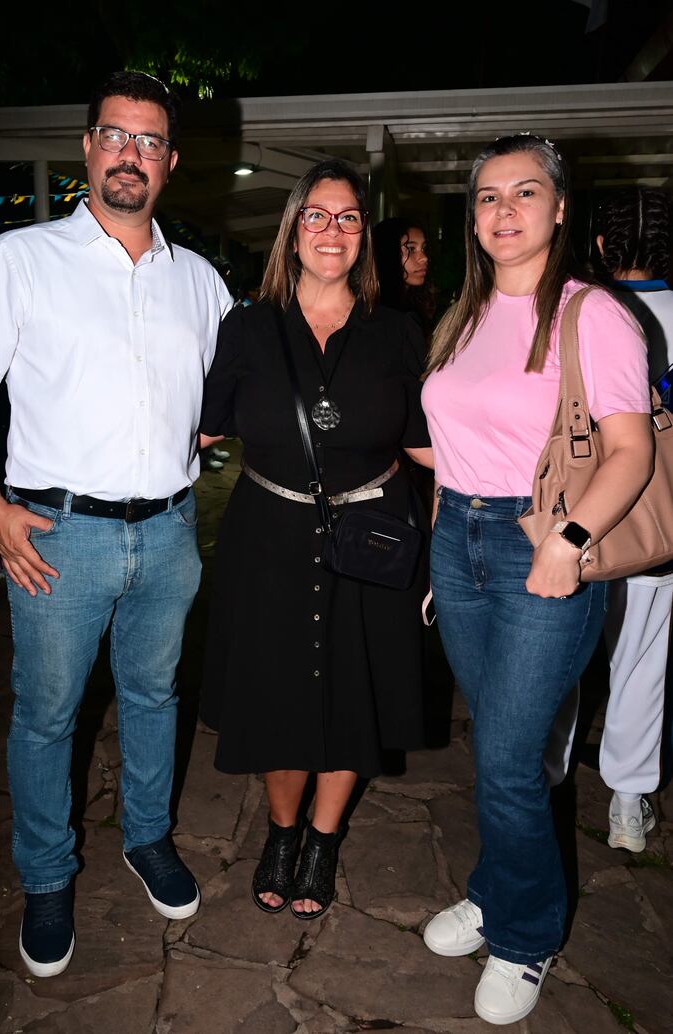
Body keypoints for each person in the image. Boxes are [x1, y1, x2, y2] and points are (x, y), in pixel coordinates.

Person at [0, 71, 232, 979]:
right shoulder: (21, 259)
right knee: (46, 718)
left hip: (171, 532)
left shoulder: (200, 279)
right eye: (114, 135)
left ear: (170, 162)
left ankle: (146, 839)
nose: (129, 155)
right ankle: (48, 876)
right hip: (60, 539)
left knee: (152, 698)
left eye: (149, 142)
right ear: (88, 147)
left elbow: (225, 395)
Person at [420, 135, 653, 1025]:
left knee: (513, 764)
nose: (503, 211)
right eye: (486, 197)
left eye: (524, 193)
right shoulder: (464, 314)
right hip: (462, 544)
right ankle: (494, 889)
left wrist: (569, 539)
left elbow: (630, 451)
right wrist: (442, 558)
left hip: (541, 545)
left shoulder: (593, 314)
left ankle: (526, 936)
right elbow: (450, 448)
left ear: (560, 208)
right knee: (497, 751)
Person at [198, 158, 432, 921]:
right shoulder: (248, 326)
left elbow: (434, 446)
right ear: (293, 229)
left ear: (365, 236)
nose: (332, 231)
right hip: (267, 536)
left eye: (349, 218)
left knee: (352, 695)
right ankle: (283, 830)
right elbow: (195, 429)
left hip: (371, 536)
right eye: (317, 216)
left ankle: (324, 840)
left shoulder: (398, 333)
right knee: (276, 697)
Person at [594, 188, 673, 849]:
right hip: (657, 525)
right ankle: (627, 804)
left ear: (598, 245)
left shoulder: (580, 312)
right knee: (643, 661)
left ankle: (546, 773)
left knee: (559, 660)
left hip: (579, 518)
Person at [372, 217, 435, 334]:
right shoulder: (376, 316)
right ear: (388, 254)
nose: (424, 258)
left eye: (423, 248)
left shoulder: (416, 305)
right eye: (411, 249)